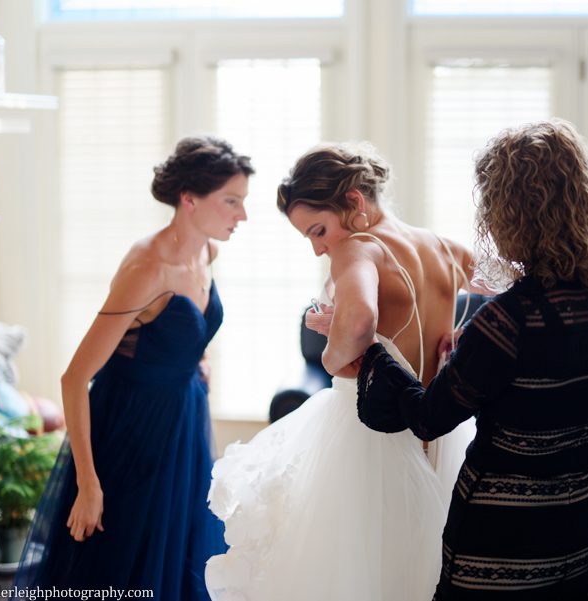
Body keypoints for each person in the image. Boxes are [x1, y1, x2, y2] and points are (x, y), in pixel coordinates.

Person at [356, 119, 588, 600]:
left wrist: (377, 354)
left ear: (512, 214)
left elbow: (428, 418)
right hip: (578, 514)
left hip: (500, 530)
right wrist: (472, 357)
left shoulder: (505, 321)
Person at [204, 142, 476, 601]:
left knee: (358, 569)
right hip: (438, 437)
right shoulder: (442, 247)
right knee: (420, 562)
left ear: (353, 200)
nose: (318, 249)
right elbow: (507, 285)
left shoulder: (358, 250)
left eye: (318, 230)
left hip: (373, 433)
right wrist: (464, 335)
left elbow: (358, 326)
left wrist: (334, 349)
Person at [13, 136, 253, 599]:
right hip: (131, 426)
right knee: (123, 558)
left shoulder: (208, 252)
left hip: (182, 418)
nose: (241, 215)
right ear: (189, 199)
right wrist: (88, 483)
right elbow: (74, 378)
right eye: (231, 201)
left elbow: (188, 328)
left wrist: (196, 359)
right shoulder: (148, 269)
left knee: (177, 544)